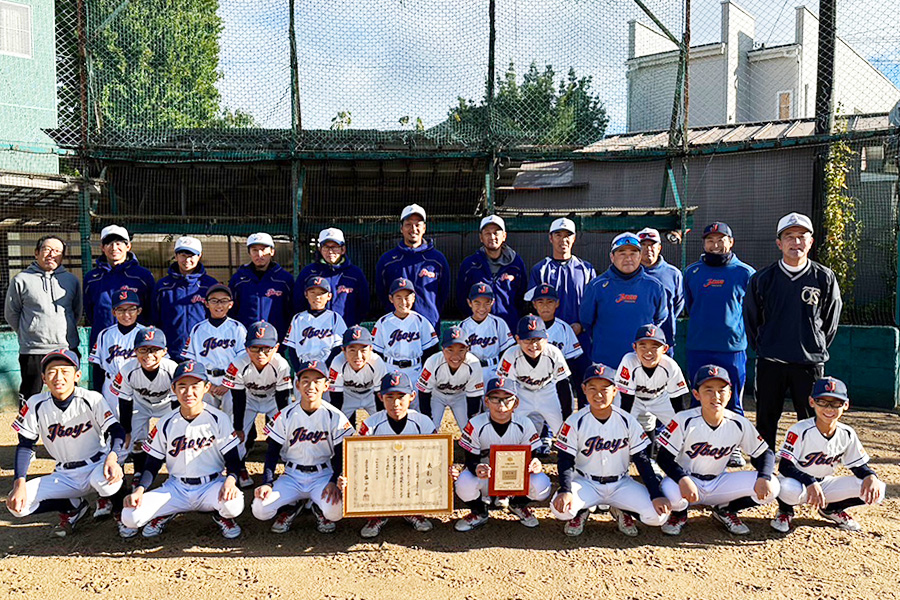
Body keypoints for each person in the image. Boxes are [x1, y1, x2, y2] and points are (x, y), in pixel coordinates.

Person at [744, 213, 842, 450]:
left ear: (810, 242)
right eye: (789, 236)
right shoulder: (762, 278)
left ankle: (809, 468)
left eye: (801, 236)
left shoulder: (824, 277)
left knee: (810, 420)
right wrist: (766, 346)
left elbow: (830, 321)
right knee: (766, 418)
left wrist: (813, 344)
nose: (795, 242)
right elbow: (751, 319)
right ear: (779, 243)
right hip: (771, 361)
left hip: (808, 364)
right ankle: (764, 472)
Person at [7, 349, 127, 537]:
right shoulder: (36, 403)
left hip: (96, 465)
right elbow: (25, 445)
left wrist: (113, 458)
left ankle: (120, 511)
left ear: (77, 375)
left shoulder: (91, 399)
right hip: (65, 474)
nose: (58, 377)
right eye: (52, 372)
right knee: (17, 506)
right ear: (44, 378)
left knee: (108, 484)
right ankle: (72, 506)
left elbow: (116, 431)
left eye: (65, 371)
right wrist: (19, 482)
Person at [121, 360, 244, 539]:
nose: (189, 392)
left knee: (233, 505)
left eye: (195, 386)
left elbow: (233, 458)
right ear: (174, 389)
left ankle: (220, 515)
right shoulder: (165, 422)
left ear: (206, 387)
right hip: (176, 488)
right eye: (182, 386)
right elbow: (152, 462)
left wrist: (231, 481)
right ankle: (166, 512)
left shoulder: (219, 418)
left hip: (210, 486)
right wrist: (140, 489)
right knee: (130, 517)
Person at [656, 365, 779, 536]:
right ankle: (679, 514)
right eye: (708, 390)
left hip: (719, 483)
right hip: (687, 481)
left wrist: (764, 476)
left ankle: (725, 510)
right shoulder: (684, 420)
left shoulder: (738, 422)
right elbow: (663, 457)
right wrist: (682, 478)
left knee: (772, 486)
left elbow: (765, 453)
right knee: (669, 491)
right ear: (696, 394)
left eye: (722, 390)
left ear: (729, 394)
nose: (716, 396)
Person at [550, 364, 670, 537]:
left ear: (615, 390)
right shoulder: (575, 421)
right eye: (592, 388)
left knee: (658, 516)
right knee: (560, 510)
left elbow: (642, 460)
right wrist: (566, 490)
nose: (598, 395)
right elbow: (564, 459)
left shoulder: (627, 420)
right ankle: (583, 509)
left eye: (605, 389)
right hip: (586, 483)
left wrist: (655, 493)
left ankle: (621, 509)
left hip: (620, 484)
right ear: (583, 389)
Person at [771, 376, 886, 533]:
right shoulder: (799, 430)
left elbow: (858, 466)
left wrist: (870, 475)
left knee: (877, 488)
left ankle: (832, 509)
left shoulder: (847, 433)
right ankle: (785, 511)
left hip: (824, 483)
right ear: (812, 402)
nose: (829, 408)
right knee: (785, 488)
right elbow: (785, 466)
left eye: (836, 403)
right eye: (822, 402)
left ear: (845, 405)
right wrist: (810, 482)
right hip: (798, 483)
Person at [251, 360, 352, 534]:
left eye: (317, 381)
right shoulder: (286, 415)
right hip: (292, 476)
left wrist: (334, 480)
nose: (310, 386)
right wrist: (267, 482)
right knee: (260, 510)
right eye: (305, 380)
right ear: (297, 385)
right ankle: (292, 505)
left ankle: (318, 508)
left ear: (326, 385)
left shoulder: (335, 416)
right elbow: (272, 452)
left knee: (335, 513)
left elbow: (341, 453)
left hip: (323, 475)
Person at [684, 222, 755, 468]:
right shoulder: (692, 272)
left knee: (732, 400)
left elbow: (752, 311)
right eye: (710, 240)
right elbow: (690, 306)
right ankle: (696, 447)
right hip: (699, 346)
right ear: (704, 244)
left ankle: (732, 448)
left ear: (730, 242)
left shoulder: (746, 273)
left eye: (720, 239)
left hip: (732, 349)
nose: (715, 245)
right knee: (698, 399)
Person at [454, 376, 551, 532]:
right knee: (464, 482)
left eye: (507, 399)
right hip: (487, 477)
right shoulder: (476, 424)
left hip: (514, 479)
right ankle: (479, 511)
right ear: (486, 401)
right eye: (495, 399)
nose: (501, 405)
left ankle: (517, 504)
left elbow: (530, 457)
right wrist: (477, 467)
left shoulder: (525, 424)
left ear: (516, 402)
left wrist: (535, 463)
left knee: (542, 484)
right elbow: (470, 459)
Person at [357, 371, 437, 538]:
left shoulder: (423, 422)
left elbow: (436, 456)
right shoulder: (371, 424)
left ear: (412, 396)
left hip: (413, 473)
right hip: (382, 473)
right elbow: (360, 460)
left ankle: (413, 511)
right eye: (389, 397)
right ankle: (377, 515)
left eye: (401, 396)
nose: (396, 403)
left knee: (438, 471)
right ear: (380, 397)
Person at [5, 235, 82, 406]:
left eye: (57, 251)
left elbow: (76, 312)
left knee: (70, 396)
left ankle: (69, 430)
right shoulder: (21, 280)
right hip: (33, 350)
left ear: (62, 256)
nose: (51, 254)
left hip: (67, 347)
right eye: (46, 249)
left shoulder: (71, 281)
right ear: (36, 253)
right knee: (30, 396)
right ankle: (27, 431)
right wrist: (30, 332)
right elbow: (12, 313)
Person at [579, 232, 669, 369]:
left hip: (642, 363)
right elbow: (586, 321)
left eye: (633, 253)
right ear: (612, 257)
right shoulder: (597, 286)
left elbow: (659, 319)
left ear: (640, 256)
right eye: (622, 253)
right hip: (606, 364)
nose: (628, 258)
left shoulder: (655, 286)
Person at [222, 320, 292, 488]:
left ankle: (290, 467)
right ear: (246, 348)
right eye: (255, 348)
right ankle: (239, 467)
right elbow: (238, 398)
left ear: (275, 348)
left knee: (289, 430)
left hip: (273, 399)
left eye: (266, 348)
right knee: (237, 436)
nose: (260, 353)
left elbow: (283, 399)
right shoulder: (239, 363)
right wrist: (238, 427)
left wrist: (280, 424)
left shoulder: (281, 364)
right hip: (249, 399)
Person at [110, 326, 179, 489]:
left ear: (164, 351)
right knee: (136, 439)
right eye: (143, 349)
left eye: (155, 349)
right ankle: (138, 472)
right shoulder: (128, 370)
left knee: (173, 438)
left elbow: (178, 403)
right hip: (140, 405)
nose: (149, 355)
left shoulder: (171, 369)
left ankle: (176, 474)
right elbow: (125, 401)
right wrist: (127, 431)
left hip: (167, 404)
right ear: (135, 351)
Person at [496, 315, 572, 454]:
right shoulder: (511, 354)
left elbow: (564, 386)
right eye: (528, 339)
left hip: (547, 391)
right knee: (513, 431)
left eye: (538, 339)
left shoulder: (554, 353)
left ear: (546, 338)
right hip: (521, 392)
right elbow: (505, 387)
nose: (533, 345)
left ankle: (571, 463)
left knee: (564, 430)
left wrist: (567, 416)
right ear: (518, 339)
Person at [375, 204, 450, 329]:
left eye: (417, 224)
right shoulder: (387, 260)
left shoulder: (437, 260)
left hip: (428, 328)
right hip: (396, 329)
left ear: (424, 228)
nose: (413, 229)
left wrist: (429, 313)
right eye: (408, 224)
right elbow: (382, 293)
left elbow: (443, 293)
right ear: (401, 228)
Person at [83, 224, 155, 350]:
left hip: (136, 345)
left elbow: (151, 310)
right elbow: (90, 312)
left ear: (128, 246)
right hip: (103, 344)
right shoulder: (91, 278)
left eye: (119, 243)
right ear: (102, 247)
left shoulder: (143, 276)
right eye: (109, 243)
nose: (114, 248)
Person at [371, 277, 439, 407]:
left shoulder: (421, 321)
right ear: (391, 299)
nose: (403, 301)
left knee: (418, 411)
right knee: (392, 409)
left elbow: (431, 351)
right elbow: (376, 353)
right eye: (398, 297)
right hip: (390, 368)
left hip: (416, 371)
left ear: (414, 298)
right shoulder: (383, 323)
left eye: (407, 297)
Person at [615, 324, 689, 442]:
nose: (648, 352)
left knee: (681, 427)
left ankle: (673, 456)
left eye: (655, 347)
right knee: (620, 427)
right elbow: (626, 400)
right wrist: (625, 426)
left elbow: (678, 402)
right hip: (635, 399)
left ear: (665, 349)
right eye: (643, 346)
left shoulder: (670, 366)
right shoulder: (629, 361)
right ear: (634, 347)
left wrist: (681, 427)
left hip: (659, 399)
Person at [528, 218, 595, 348]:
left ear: (574, 238)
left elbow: (593, 305)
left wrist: (582, 326)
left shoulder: (587, 269)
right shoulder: (540, 269)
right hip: (548, 337)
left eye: (567, 235)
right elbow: (531, 306)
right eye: (558, 235)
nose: (563, 240)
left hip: (580, 337)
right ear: (550, 238)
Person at [182, 283, 247, 411]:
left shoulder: (237, 328)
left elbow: (243, 360)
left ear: (231, 304)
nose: (219, 305)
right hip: (206, 381)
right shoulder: (198, 329)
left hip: (231, 382)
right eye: (214, 301)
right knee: (206, 420)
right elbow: (191, 361)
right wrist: (205, 383)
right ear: (206, 303)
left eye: (224, 301)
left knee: (232, 421)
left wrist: (228, 383)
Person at [456, 215, 528, 330]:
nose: (492, 237)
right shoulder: (470, 264)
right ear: (481, 237)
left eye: (496, 233)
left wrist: (513, 318)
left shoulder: (516, 264)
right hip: (479, 332)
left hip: (510, 328)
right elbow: (462, 297)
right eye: (487, 233)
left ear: (504, 236)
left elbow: (522, 296)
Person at [152, 236, 217, 361]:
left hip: (204, 353)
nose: (186, 260)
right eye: (182, 255)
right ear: (176, 256)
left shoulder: (210, 285)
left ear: (199, 256)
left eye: (191, 255)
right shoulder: (162, 286)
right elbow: (155, 319)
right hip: (170, 354)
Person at [295, 227, 370, 328]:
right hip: (315, 333)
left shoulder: (355, 274)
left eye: (334, 247)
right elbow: (298, 302)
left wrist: (351, 324)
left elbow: (364, 304)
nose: (330, 251)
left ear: (343, 249)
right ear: (320, 249)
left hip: (345, 333)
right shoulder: (308, 273)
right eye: (326, 247)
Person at [529, 282, 584, 416]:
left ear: (557, 303)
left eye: (550, 301)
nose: (545, 306)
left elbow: (574, 363)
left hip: (556, 380)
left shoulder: (564, 328)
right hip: (531, 380)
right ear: (534, 304)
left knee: (563, 414)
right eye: (540, 302)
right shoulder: (527, 326)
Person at [416, 325, 484, 431]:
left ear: (468, 349)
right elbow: (424, 393)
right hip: (437, 395)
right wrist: (427, 418)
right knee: (429, 428)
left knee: (469, 428)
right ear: (442, 349)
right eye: (450, 350)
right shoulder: (432, 362)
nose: (455, 356)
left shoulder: (473, 364)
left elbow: (474, 398)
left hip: (459, 395)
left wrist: (471, 420)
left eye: (461, 350)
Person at [228, 232, 294, 340]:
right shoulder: (238, 279)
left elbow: (291, 310)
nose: (259, 254)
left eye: (263, 249)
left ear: (272, 251)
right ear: (249, 252)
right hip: (245, 340)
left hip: (276, 340)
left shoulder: (284, 279)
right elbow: (231, 311)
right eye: (254, 250)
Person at [88, 289, 142, 416]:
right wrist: (98, 394)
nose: (126, 315)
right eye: (121, 310)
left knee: (136, 428)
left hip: (137, 385)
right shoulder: (105, 335)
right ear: (113, 312)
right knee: (111, 426)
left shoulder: (145, 334)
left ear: (138, 311)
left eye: (131, 309)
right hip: (110, 385)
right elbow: (97, 367)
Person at [283, 276, 346, 371]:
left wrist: (327, 367)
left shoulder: (335, 318)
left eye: (321, 293)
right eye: (312, 292)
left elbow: (339, 347)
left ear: (329, 296)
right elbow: (292, 349)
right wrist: (298, 369)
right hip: (303, 367)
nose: (317, 297)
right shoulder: (298, 318)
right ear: (306, 294)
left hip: (329, 368)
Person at [328, 326, 387, 427]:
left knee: (383, 423)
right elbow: (336, 398)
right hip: (348, 395)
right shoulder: (337, 362)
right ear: (343, 350)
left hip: (371, 395)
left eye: (363, 350)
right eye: (352, 350)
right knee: (337, 425)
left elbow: (380, 395)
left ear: (371, 349)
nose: (358, 356)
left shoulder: (376, 362)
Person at [459, 283, 514, 385]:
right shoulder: (463, 326)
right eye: (477, 302)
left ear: (492, 302)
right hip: (472, 369)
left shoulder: (498, 323)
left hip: (494, 368)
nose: (482, 308)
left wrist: (504, 373)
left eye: (486, 303)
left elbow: (508, 351)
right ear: (469, 303)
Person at [637, 227, 683, 350]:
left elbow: (678, 305)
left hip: (663, 342)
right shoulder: (629, 274)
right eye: (644, 245)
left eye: (652, 245)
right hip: (636, 342)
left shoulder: (673, 274)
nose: (648, 249)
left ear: (659, 248)